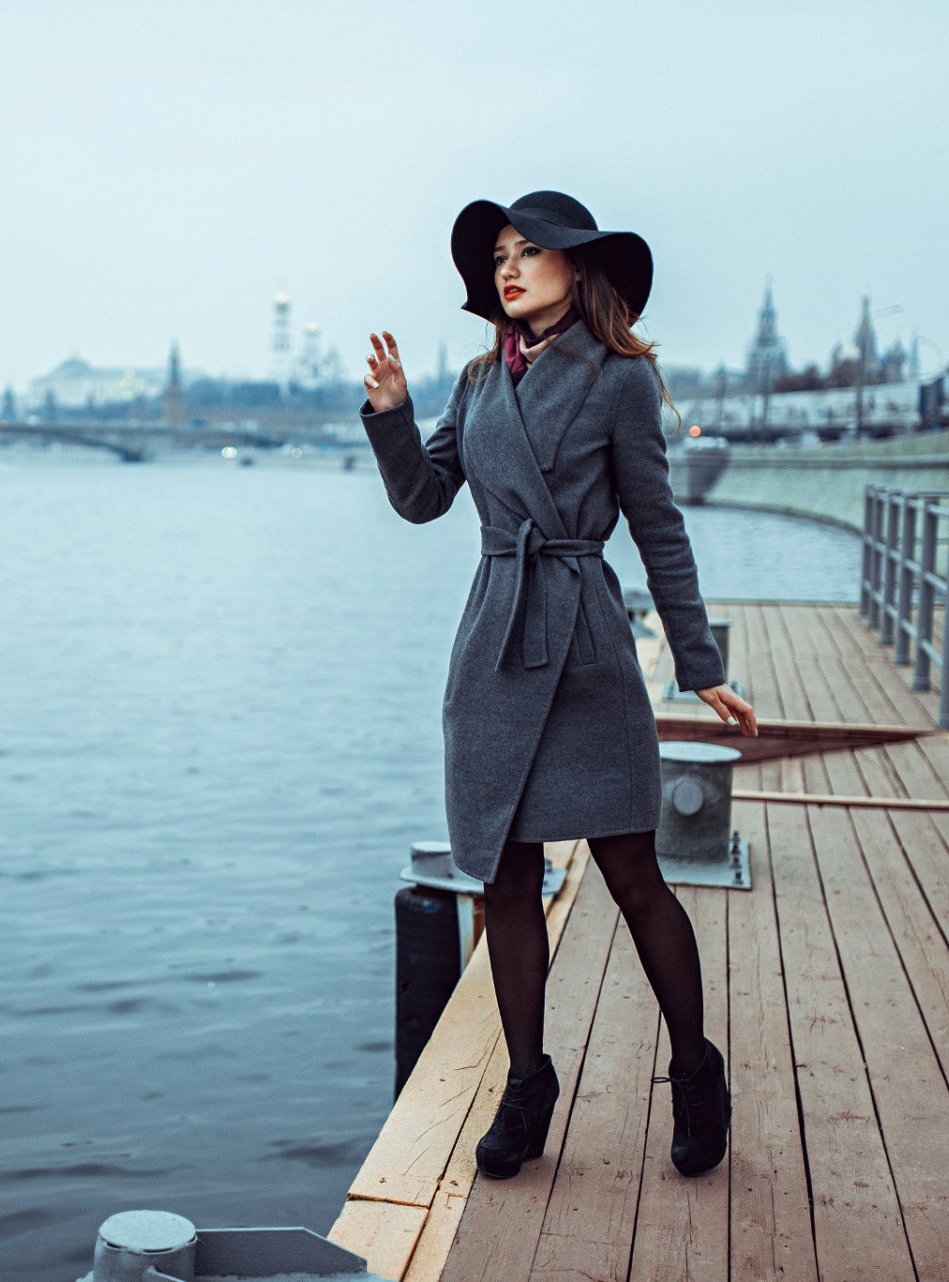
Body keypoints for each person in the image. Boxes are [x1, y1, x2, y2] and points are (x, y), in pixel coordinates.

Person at [359, 190, 758, 1181]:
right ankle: (527, 1083)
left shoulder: (620, 380)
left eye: (530, 251)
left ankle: (695, 1068)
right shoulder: (475, 380)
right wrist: (392, 414)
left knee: (632, 872)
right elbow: (420, 500)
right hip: (494, 645)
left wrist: (699, 665)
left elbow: (659, 524)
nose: (508, 267)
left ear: (579, 269)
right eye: (498, 254)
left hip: (584, 641)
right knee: (502, 874)